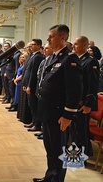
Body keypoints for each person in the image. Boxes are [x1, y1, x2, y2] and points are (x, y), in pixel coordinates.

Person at [34, 24, 82, 182]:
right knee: (50, 149)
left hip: (59, 114)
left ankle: (57, 179)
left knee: (59, 150)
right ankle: (50, 176)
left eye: (51, 36)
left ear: (62, 38)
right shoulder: (53, 57)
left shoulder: (69, 59)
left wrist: (68, 115)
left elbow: (74, 90)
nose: (47, 39)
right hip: (48, 113)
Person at [71, 36, 99, 156]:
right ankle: (76, 155)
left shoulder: (91, 61)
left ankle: (83, 156)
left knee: (81, 130)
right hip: (74, 101)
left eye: (76, 44)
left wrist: (88, 104)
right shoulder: (75, 59)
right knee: (74, 130)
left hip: (83, 103)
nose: (73, 46)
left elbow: (92, 85)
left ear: (84, 46)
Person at [22, 39, 44, 132]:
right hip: (27, 83)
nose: (30, 46)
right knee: (31, 105)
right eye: (30, 45)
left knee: (34, 105)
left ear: (39, 46)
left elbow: (33, 73)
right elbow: (26, 70)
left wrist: (29, 86)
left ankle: (37, 124)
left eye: (33, 45)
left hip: (33, 85)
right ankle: (33, 121)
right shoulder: (32, 55)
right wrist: (25, 83)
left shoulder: (38, 57)